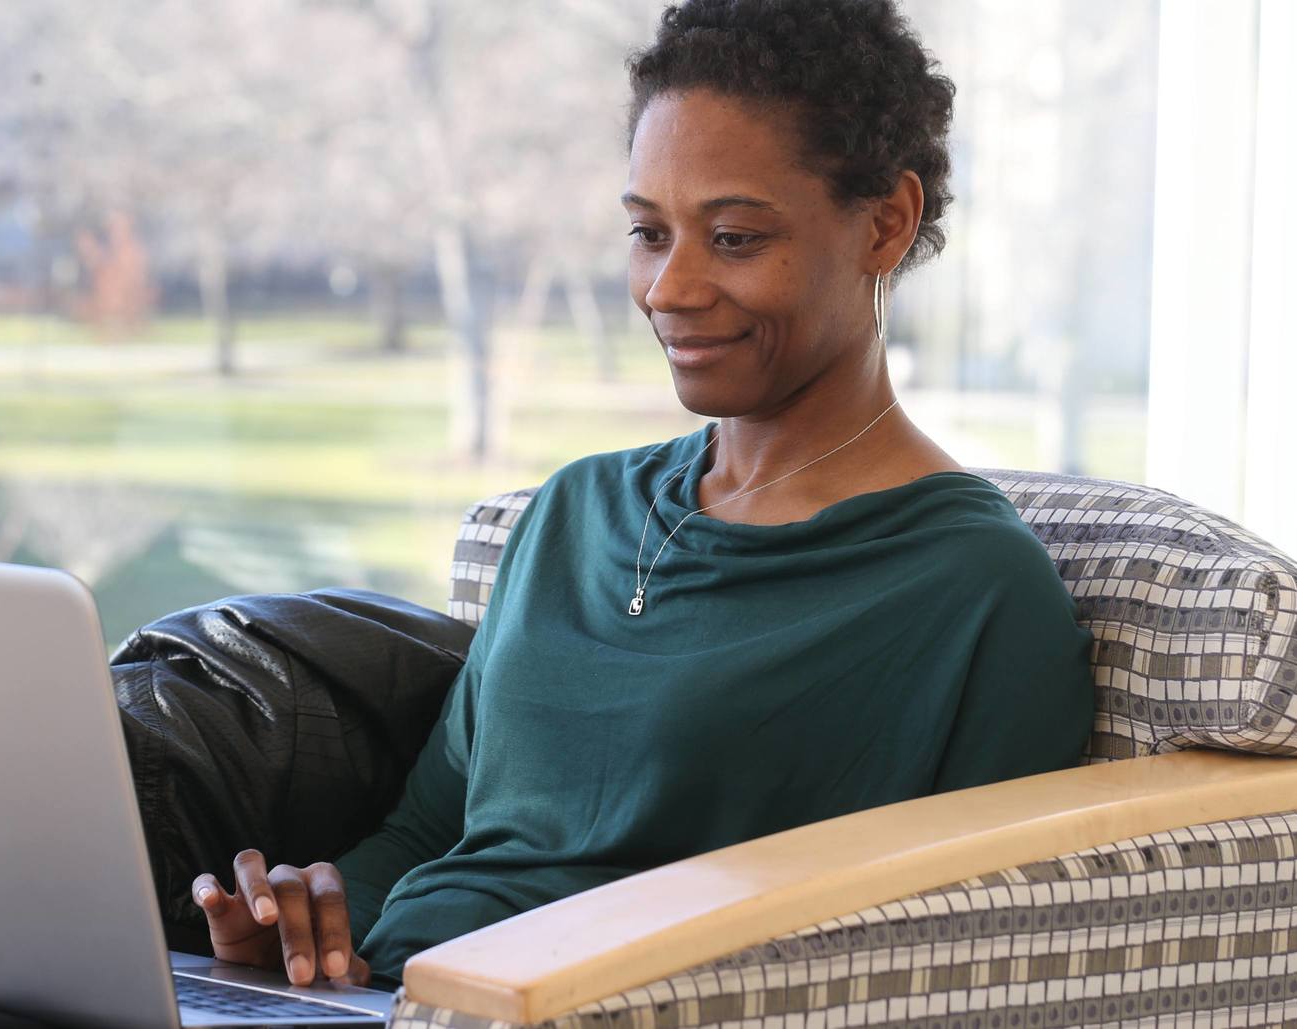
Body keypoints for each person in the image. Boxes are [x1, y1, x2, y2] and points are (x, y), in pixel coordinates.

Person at [192, 0, 1092, 995]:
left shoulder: (974, 594)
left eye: (736, 237)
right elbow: (431, 835)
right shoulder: (573, 514)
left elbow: (986, 962)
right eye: (648, 232)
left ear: (887, 223)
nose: (670, 287)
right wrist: (306, 928)